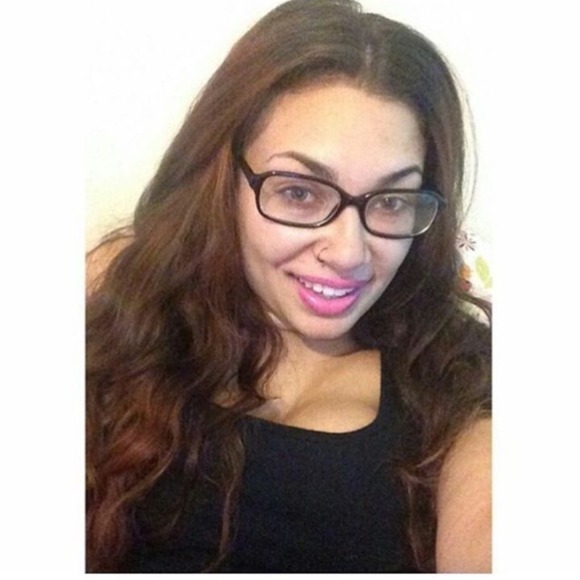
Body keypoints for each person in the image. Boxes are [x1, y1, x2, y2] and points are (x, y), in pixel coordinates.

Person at [86, 0, 491, 573]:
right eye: (299, 192)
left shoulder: (459, 376)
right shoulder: (126, 307)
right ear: (222, 180)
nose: (349, 253)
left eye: (393, 201)